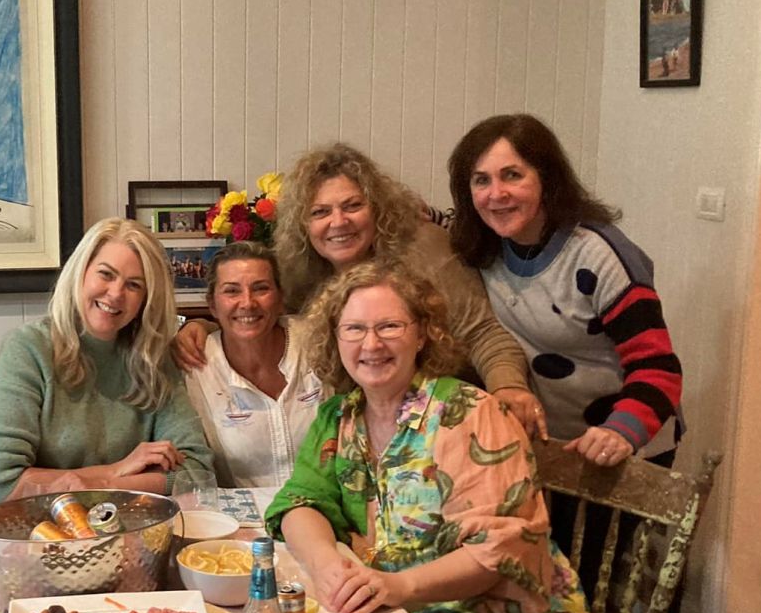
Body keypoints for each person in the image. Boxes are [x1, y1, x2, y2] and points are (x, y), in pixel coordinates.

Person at [266, 261, 611, 613]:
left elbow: (501, 552)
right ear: (336, 340)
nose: (371, 344)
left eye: (390, 327)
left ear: (423, 333)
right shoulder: (340, 417)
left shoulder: (469, 413)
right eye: (354, 329)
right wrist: (327, 566)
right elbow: (300, 502)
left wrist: (398, 587)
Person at [448, 114, 683, 577]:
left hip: (617, 445)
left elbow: (658, 368)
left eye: (512, 175)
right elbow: (440, 221)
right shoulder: (487, 242)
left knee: (589, 583)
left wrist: (621, 432)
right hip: (551, 445)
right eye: (481, 180)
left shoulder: (598, 254)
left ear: (547, 179)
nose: (496, 194)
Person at [174, 143, 543, 430]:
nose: (338, 222)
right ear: (303, 225)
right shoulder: (304, 275)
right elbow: (267, 320)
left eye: (352, 206)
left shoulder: (426, 248)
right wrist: (205, 328)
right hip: (369, 428)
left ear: (377, 208)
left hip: (451, 417)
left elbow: (484, 334)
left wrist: (509, 389)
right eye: (320, 212)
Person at [0, 218, 213, 503]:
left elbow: (196, 472)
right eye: (106, 274)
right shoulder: (29, 349)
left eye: (134, 285)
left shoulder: (153, 357)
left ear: (146, 299)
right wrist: (117, 471)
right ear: (80, 273)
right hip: (39, 529)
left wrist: (97, 481)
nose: (116, 294)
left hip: (129, 526)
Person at [182, 242, 323, 488]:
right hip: (244, 520)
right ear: (212, 305)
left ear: (280, 299)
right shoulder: (194, 366)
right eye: (232, 291)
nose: (247, 303)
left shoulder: (317, 342)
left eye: (261, 288)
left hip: (328, 510)